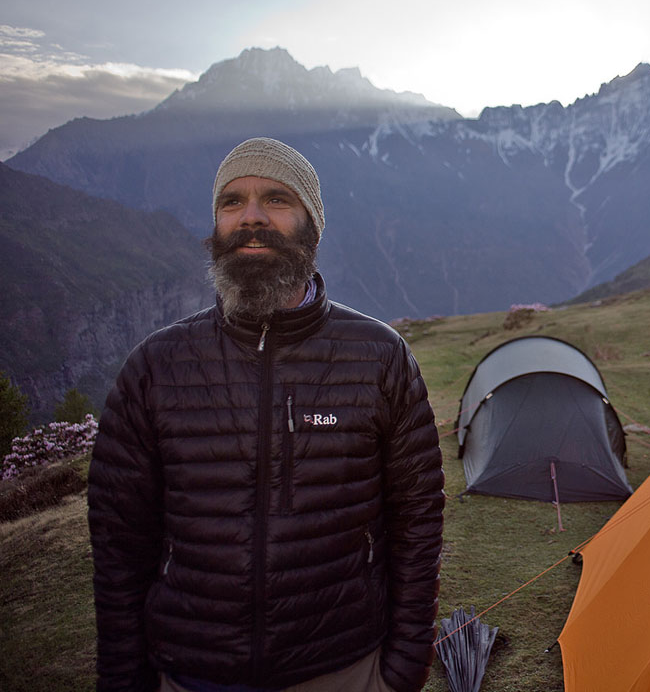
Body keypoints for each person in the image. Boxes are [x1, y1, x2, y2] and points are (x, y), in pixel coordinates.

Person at [87, 137, 444, 692]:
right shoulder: (155, 368)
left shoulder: (380, 357)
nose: (250, 217)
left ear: (311, 226)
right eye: (232, 202)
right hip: (192, 671)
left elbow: (416, 524)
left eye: (276, 199)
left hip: (343, 666)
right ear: (216, 226)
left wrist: (400, 670)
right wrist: (125, 678)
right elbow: (118, 548)